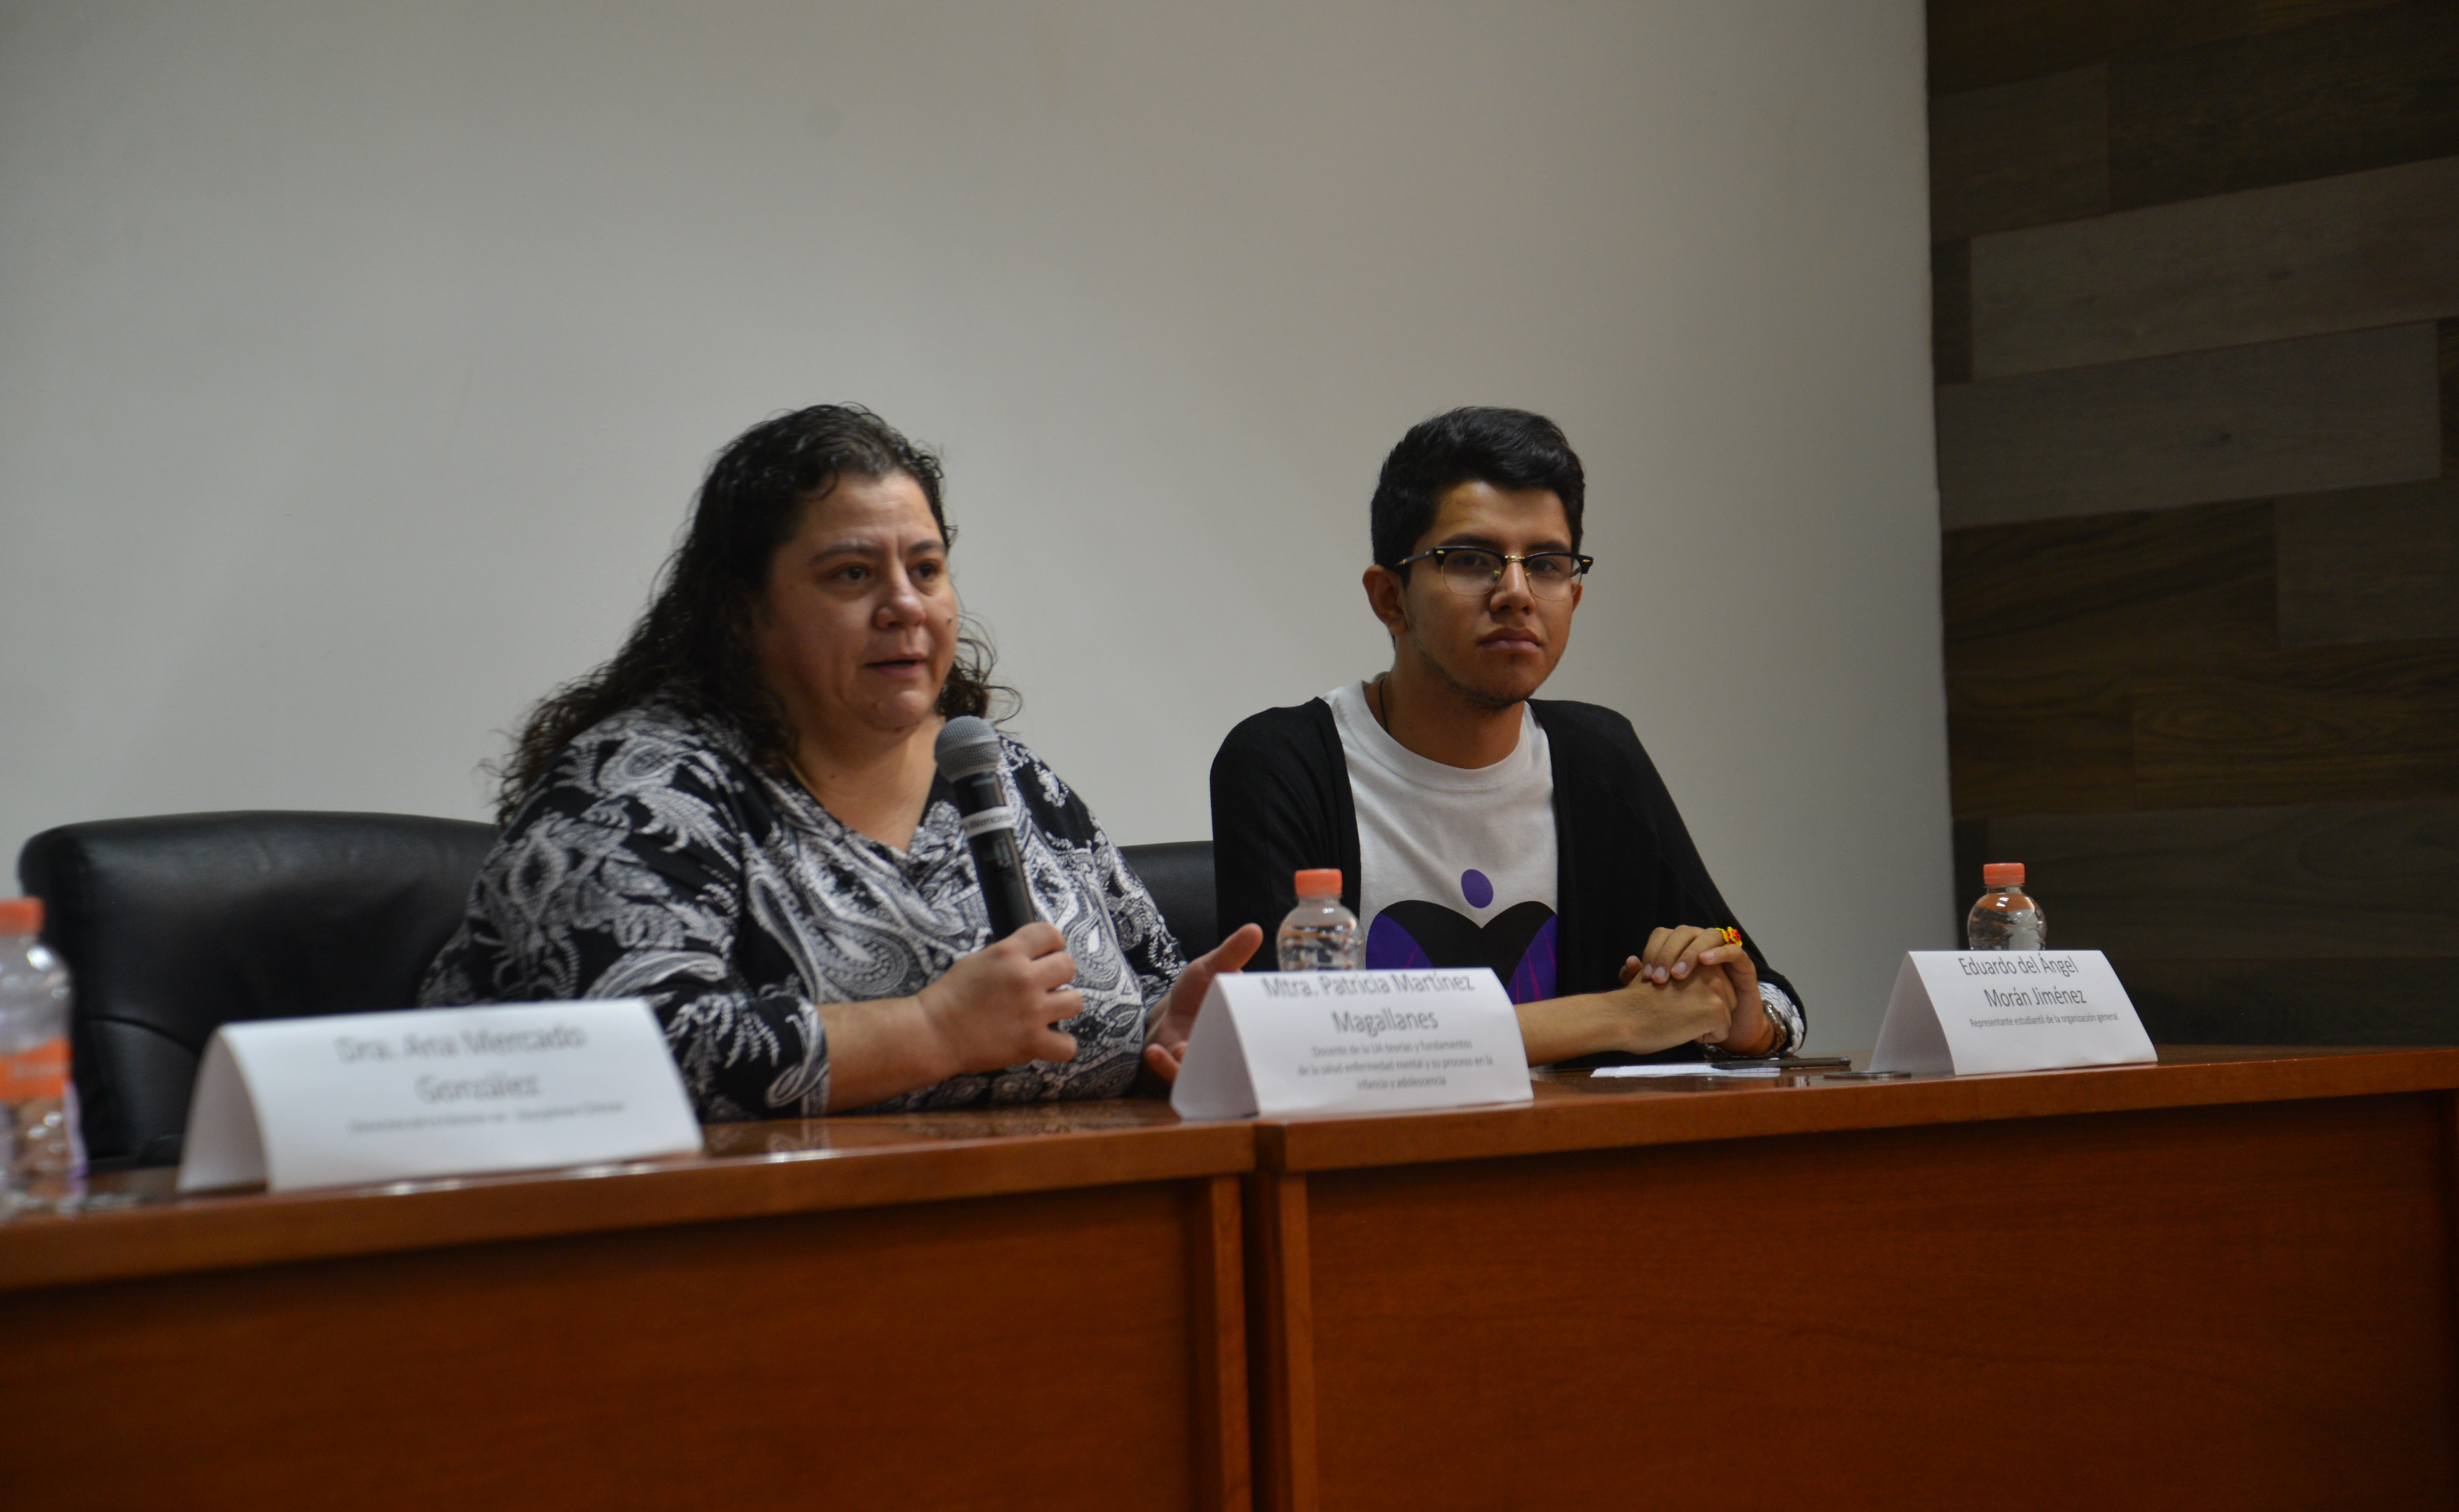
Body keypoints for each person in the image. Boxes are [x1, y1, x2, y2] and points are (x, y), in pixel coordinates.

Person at [421, 404, 1260, 1117]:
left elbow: (1145, 980)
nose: (903, 604)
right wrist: (931, 1030)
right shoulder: (639, 792)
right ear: (745, 612)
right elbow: (625, 1056)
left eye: (925, 569)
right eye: (852, 573)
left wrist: (1164, 1027)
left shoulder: (1001, 776)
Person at [1209, 407, 1804, 1064]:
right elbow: (1285, 1041)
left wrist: (1746, 1020)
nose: (1516, 592)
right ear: (1390, 599)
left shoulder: (1598, 757)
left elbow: (1769, 990)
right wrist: (1619, 1019)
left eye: (1547, 565)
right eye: (1472, 560)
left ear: (1573, 598)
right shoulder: (1285, 762)